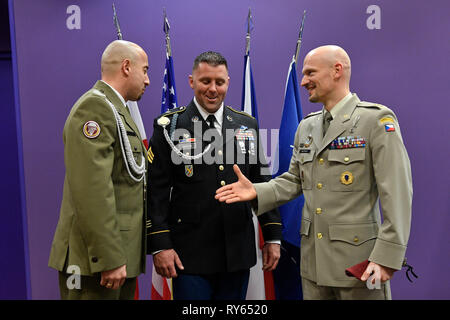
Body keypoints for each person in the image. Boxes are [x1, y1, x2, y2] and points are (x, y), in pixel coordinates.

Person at [215, 45, 412, 300]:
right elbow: (294, 180)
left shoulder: (375, 121)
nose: (303, 81)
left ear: (337, 70)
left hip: (359, 266)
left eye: (310, 73)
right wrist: (256, 190)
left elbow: (397, 194)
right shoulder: (306, 126)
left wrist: (387, 258)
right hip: (313, 267)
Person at [146, 51, 282, 300]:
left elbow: (261, 181)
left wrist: (272, 235)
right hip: (190, 255)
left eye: (219, 82)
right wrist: (160, 244)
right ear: (191, 81)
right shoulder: (171, 126)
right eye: (205, 81)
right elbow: (156, 191)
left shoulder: (245, 125)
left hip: (237, 252)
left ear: (228, 82)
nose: (212, 89)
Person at [48, 40, 150, 299]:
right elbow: (92, 190)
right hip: (95, 262)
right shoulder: (95, 108)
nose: (147, 80)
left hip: (117, 256)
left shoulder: (116, 109)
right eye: (145, 70)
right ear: (126, 67)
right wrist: (109, 258)